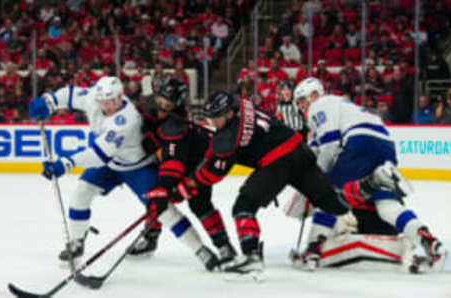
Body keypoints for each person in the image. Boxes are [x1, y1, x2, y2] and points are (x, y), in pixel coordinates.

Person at [28, 76, 220, 271]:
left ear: (120, 97)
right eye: (103, 101)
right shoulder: (94, 97)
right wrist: (49, 101)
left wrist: (66, 164)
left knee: (163, 210)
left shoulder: (126, 120)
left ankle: (200, 249)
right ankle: (77, 242)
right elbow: (69, 95)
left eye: (111, 101)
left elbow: (98, 154)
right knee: (81, 193)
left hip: (138, 167)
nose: (106, 106)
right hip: (111, 164)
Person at [175, 90, 349, 280]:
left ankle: (251, 257)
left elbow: (213, 173)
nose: (212, 123)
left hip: (278, 162)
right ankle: (369, 189)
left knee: (244, 207)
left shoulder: (228, 138)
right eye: (210, 119)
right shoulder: (242, 102)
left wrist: (187, 185)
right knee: (332, 203)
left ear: (229, 113)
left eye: (215, 118)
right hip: (300, 151)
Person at [291, 77, 447, 273]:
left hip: (360, 142)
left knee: (329, 195)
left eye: (303, 101)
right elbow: (319, 149)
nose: (302, 107)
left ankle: (313, 250)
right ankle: (432, 244)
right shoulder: (344, 106)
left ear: (314, 95)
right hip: (386, 145)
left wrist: (317, 179)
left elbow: (329, 147)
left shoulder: (320, 104)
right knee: (388, 206)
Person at [136, 78, 237, 265]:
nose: (161, 108)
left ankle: (224, 246)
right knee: (156, 199)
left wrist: (168, 186)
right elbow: (153, 143)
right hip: (184, 160)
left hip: (199, 166)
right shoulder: (158, 113)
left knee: (199, 205)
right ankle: (150, 238)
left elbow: (173, 164)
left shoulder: (176, 126)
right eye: (160, 102)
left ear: (177, 105)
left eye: (167, 105)